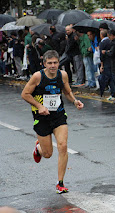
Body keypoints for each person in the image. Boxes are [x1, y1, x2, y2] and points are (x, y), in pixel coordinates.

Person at [21, 50, 84, 194]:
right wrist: (39, 106)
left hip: (58, 115)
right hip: (41, 117)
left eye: (55, 62)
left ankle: (60, 182)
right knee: (48, 154)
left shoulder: (63, 75)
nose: (53, 66)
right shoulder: (38, 77)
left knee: (63, 145)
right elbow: (25, 94)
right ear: (44, 64)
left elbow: (67, 92)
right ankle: (39, 149)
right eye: (49, 63)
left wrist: (75, 101)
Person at [99, 29, 115, 100]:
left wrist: (101, 65)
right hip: (112, 62)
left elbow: (101, 56)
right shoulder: (111, 41)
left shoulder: (103, 43)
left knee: (109, 79)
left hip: (106, 63)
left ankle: (113, 94)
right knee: (112, 78)